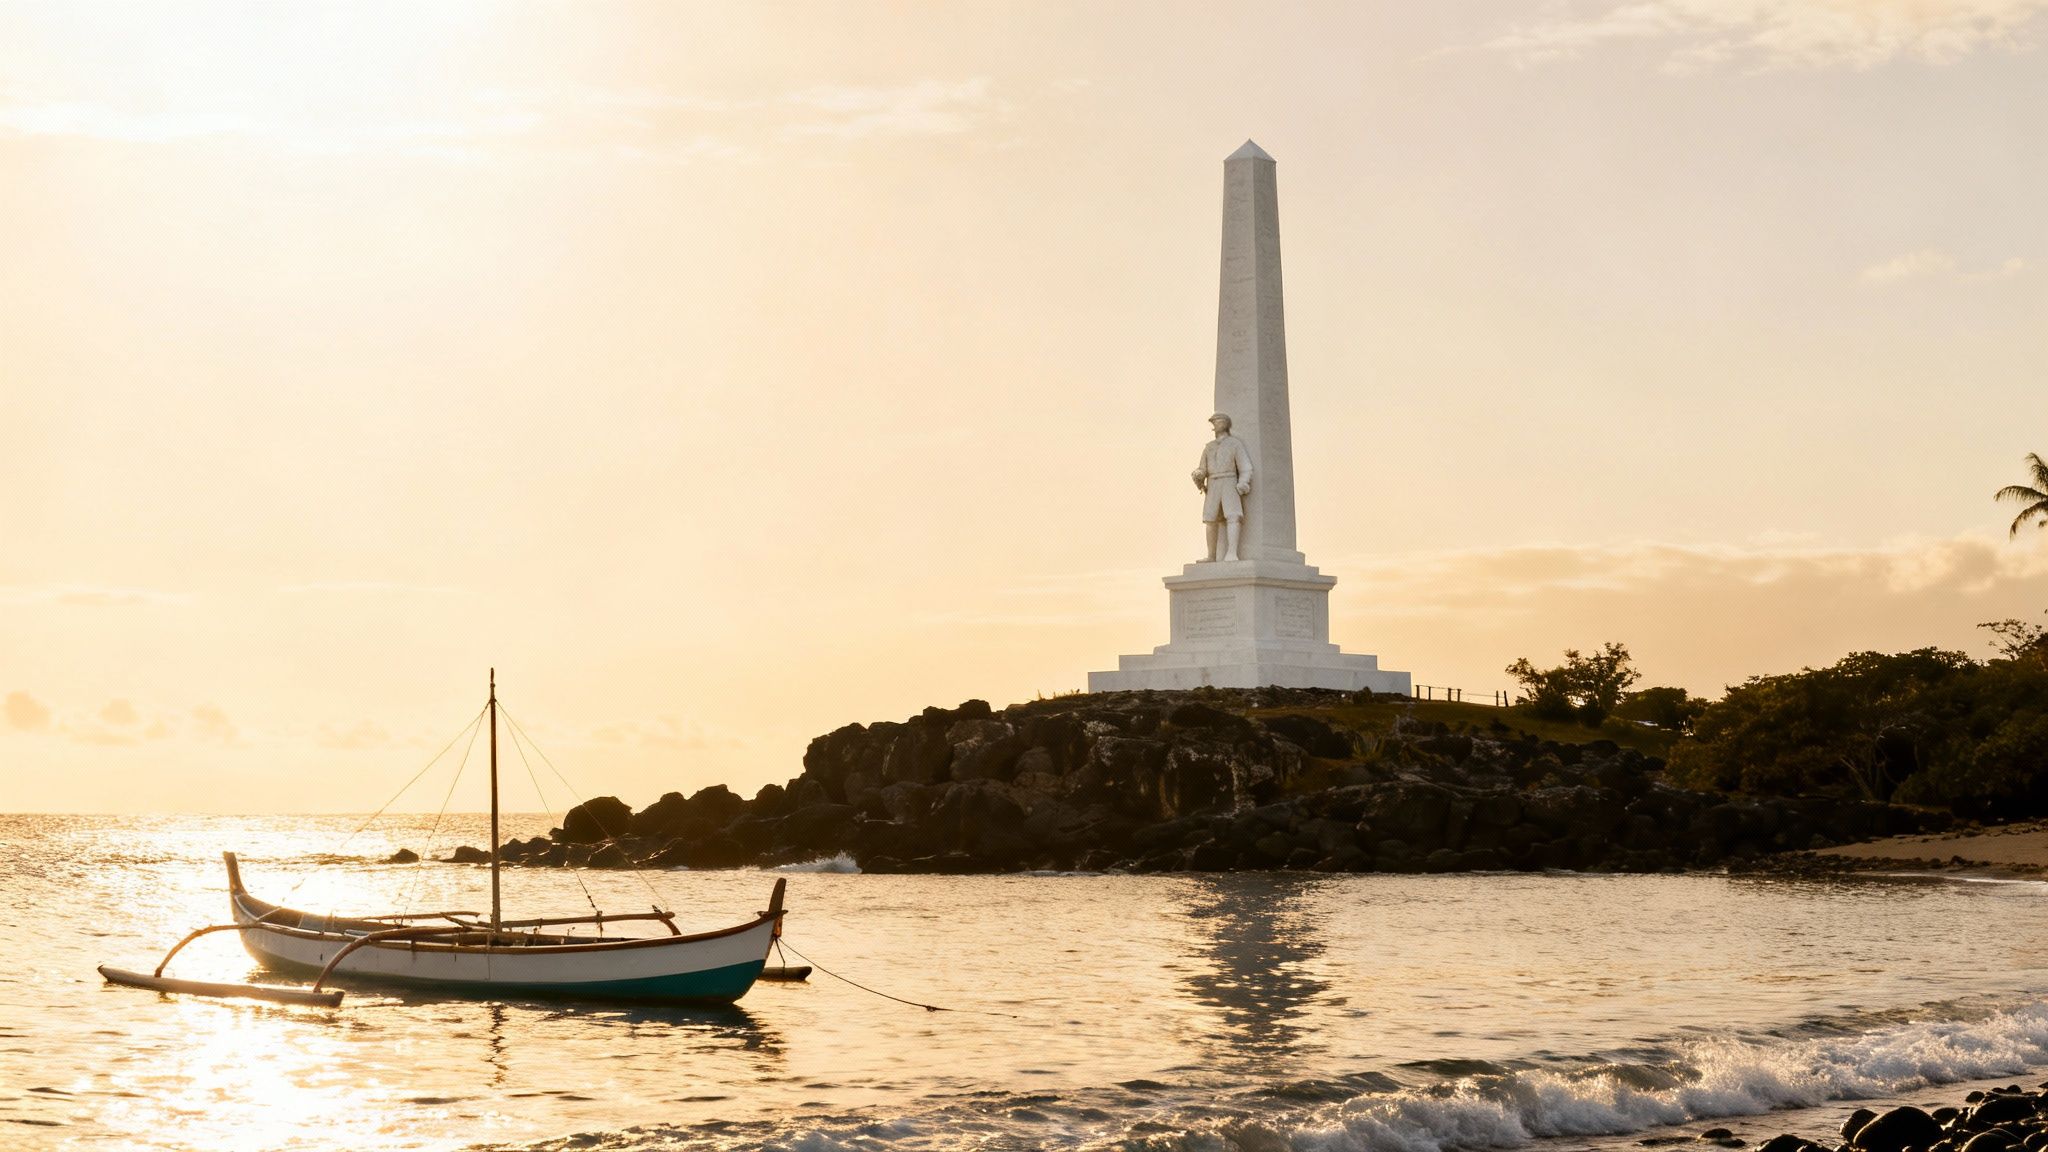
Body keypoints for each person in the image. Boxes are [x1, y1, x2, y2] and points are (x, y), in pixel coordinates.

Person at [1191, 412, 1253, 562]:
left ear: (1225, 424)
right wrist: (1198, 474)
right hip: (1212, 483)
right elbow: (1202, 468)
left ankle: (1232, 553)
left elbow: (1245, 467)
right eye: (1214, 422)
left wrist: (1243, 482)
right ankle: (1211, 555)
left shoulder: (1234, 444)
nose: (1215, 424)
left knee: (1233, 515)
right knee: (1210, 518)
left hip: (1229, 480)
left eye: (1218, 421)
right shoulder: (1209, 447)